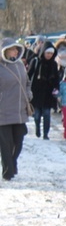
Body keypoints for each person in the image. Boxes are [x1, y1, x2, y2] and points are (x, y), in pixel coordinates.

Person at [0, 38, 32, 181]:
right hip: (3, 110)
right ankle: (8, 170)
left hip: (19, 110)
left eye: (17, 49)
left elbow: (27, 82)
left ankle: (12, 163)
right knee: (6, 144)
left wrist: (28, 94)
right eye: (13, 49)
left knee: (18, 140)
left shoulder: (20, 65)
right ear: (5, 51)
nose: (16, 52)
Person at [28, 42, 60, 140]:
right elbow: (29, 75)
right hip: (36, 92)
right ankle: (38, 127)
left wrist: (56, 88)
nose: (49, 55)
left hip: (48, 93)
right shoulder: (36, 61)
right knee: (37, 115)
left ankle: (46, 133)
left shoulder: (54, 64)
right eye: (47, 53)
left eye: (51, 53)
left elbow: (56, 78)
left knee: (47, 114)